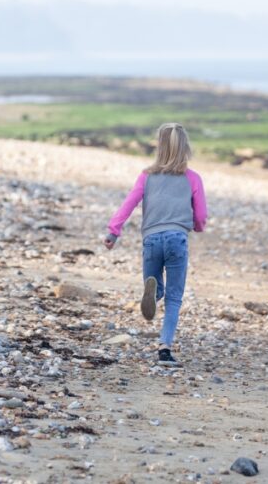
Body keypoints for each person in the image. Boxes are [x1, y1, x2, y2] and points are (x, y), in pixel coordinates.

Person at [103, 123, 207, 365]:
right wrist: (198, 227)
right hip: (177, 239)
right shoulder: (192, 179)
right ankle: (164, 348)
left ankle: (153, 291)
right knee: (174, 297)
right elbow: (200, 215)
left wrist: (113, 231)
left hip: (151, 239)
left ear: (159, 147)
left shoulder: (146, 177)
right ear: (185, 148)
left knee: (154, 283)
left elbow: (128, 204)